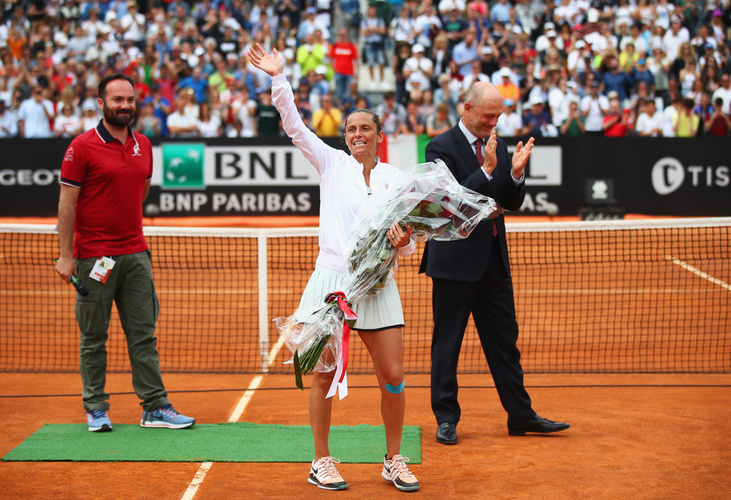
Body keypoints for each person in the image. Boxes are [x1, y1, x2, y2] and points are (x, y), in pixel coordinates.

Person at [248, 43, 419, 493]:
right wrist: (279, 78)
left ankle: (393, 458)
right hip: (330, 283)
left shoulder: (395, 180)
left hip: (378, 286)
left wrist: (405, 244)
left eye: (365, 128)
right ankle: (321, 460)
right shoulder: (331, 162)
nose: (357, 134)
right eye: (351, 129)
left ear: (379, 135)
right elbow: (294, 126)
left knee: (394, 377)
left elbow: (407, 240)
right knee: (322, 373)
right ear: (345, 136)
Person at [421, 81, 569, 445]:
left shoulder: (499, 145)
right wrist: (487, 171)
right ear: (467, 108)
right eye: (488, 116)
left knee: (505, 343)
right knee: (447, 343)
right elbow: (452, 205)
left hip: (493, 262)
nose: (494, 122)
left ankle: (520, 415)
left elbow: (509, 201)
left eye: (498, 116)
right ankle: (446, 418)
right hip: (454, 265)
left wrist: (515, 173)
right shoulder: (439, 147)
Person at [55, 73, 195, 433]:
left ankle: (154, 406)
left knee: (144, 336)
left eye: (129, 100)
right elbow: (66, 205)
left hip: (136, 255)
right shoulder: (81, 147)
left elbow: (140, 191)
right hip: (92, 259)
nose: (124, 106)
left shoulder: (144, 144)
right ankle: (96, 409)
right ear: (101, 103)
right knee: (93, 338)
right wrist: (66, 255)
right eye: (117, 100)